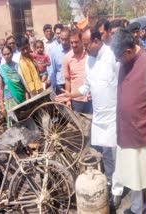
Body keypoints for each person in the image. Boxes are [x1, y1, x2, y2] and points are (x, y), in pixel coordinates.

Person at [56, 28, 122, 209]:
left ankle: (117, 191)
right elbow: (86, 87)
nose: (84, 49)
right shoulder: (90, 61)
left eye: (86, 44)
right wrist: (71, 95)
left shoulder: (112, 56)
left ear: (97, 40)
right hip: (99, 116)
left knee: (116, 154)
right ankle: (108, 182)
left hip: (114, 114)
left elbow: (122, 82)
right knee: (105, 153)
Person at [110, 29, 146, 214]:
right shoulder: (124, 63)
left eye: (119, 57)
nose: (117, 61)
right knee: (133, 178)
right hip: (126, 133)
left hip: (144, 137)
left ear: (128, 51)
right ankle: (138, 209)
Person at [63, 29, 92, 113]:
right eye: (71, 42)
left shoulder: (89, 55)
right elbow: (68, 80)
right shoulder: (67, 58)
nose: (74, 45)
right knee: (79, 125)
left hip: (91, 98)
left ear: (82, 41)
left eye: (76, 42)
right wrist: (68, 99)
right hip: (76, 100)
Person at [0, 45, 26, 127]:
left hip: (20, 96)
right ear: (2, 55)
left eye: (8, 53)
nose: (7, 56)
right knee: (12, 122)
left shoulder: (18, 66)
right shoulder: (1, 69)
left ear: (12, 53)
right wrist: (2, 105)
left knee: (23, 119)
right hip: (9, 98)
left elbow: (24, 84)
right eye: (4, 54)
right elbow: (1, 88)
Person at [47, 28, 71, 94]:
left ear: (70, 38)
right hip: (60, 85)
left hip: (72, 84)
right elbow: (52, 70)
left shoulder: (73, 50)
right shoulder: (54, 51)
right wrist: (54, 87)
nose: (63, 42)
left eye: (66, 40)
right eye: (62, 39)